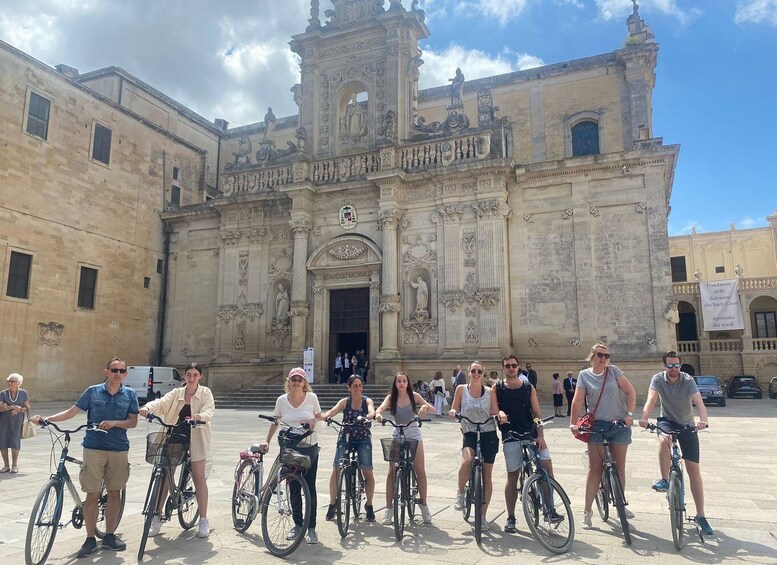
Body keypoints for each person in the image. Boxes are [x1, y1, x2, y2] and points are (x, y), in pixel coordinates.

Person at [31, 357, 138, 557]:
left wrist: (114, 423)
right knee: (92, 494)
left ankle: (109, 535)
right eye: (114, 370)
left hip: (118, 448)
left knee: (114, 493)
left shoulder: (130, 394)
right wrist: (47, 419)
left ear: (125, 373)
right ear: (106, 371)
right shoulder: (93, 391)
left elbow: (133, 422)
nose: (117, 373)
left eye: (121, 370)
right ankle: (90, 539)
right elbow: (73, 412)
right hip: (93, 447)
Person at [638, 351, 713, 536]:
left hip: (687, 423)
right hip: (667, 420)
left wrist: (703, 420)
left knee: (693, 470)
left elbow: (698, 401)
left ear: (680, 365)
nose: (673, 369)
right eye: (670, 366)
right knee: (664, 440)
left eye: (676, 365)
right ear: (664, 366)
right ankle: (665, 479)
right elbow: (651, 399)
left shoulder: (687, 380)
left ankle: (701, 515)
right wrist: (644, 417)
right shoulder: (657, 379)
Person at [139, 363, 215, 538]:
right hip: (176, 434)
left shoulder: (205, 393)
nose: (191, 378)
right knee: (166, 473)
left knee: (198, 477)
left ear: (200, 377)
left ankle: (203, 519)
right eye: (189, 374)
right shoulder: (177, 393)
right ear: (184, 376)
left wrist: (199, 417)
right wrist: (147, 409)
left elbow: (209, 411)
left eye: (195, 375)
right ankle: (156, 516)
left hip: (197, 436)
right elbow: (161, 403)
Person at [570, 343, 637, 529]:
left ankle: (621, 505)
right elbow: (577, 400)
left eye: (606, 356)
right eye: (600, 355)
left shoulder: (614, 371)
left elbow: (631, 392)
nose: (603, 359)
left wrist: (629, 414)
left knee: (619, 466)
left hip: (619, 425)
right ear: (592, 356)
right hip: (597, 426)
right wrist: (573, 423)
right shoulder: (585, 375)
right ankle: (587, 511)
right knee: (595, 469)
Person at [495, 354, 559, 533]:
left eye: (513, 365)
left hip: (531, 434)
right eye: (507, 366)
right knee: (512, 475)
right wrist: (499, 412)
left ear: (519, 367)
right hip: (511, 435)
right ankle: (511, 516)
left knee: (546, 466)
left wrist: (541, 435)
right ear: (503, 368)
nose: (510, 368)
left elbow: (537, 412)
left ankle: (550, 509)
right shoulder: (497, 388)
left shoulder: (528, 387)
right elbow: (494, 409)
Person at [260, 367, 323, 544]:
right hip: (288, 446)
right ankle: (297, 525)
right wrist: (267, 441)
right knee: (293, 486)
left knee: (309, 486)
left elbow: (319, 417)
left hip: (309, 445)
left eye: (300, 380)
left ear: (304, 383)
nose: (296, 382)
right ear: (289, 381)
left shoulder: (312, 398)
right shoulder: (281, 400)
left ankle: (311, 528)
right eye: (293, 380)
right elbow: (275, 421)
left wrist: (313, 421)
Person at [375, 372, 436, 525]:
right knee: (392, 472)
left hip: (413, 432)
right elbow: (380, 408)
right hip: (398, 432)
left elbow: (432, 408)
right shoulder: (391, 398)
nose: (402, 383)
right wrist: (378, 415)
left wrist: (423, 407)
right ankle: (388, 509)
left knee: (420, 470)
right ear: (395, 384)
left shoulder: (414, 395)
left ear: (408, 383)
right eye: (399, 381)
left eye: (404, 381)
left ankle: (424, 506)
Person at [449, 361, 499, 530]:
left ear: (483, 374)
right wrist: (453, 412)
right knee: (467, 461)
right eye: (473, 371)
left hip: (488, 433)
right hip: (469, 431)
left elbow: (495, 410)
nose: (476, 373)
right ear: (468, 373)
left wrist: (500, 415)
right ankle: (461, 493)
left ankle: (483, 516)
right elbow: (454, 407)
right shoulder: (461, 389)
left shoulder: (490, 391)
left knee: (487, 474)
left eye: (479, 371)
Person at [323, 375, 377, 523]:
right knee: (336, 469)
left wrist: (369, 415)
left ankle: (369, 504)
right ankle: (333, 503)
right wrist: (327, 416)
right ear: (349, 388)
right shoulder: (345, 402)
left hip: (363, 438)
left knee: (367, 471)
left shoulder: (367, 401)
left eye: (360, 385)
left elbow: (372, 411)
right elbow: (332, 411)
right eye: (355, 386)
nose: (358, 389)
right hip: (346, 437)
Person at [0, 373, 30, 473]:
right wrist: (12, 407)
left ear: (18, 383)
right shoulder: (3, 393)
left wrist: (19, 409)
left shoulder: (23, 393)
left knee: (15, 441)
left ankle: (15, 465)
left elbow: (27, 407)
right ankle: (6, 465)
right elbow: (0, 408)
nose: (10, 383)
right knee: (3, 441)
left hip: (17, 421)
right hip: (4, 421)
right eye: (9, 381)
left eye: (12, 381)